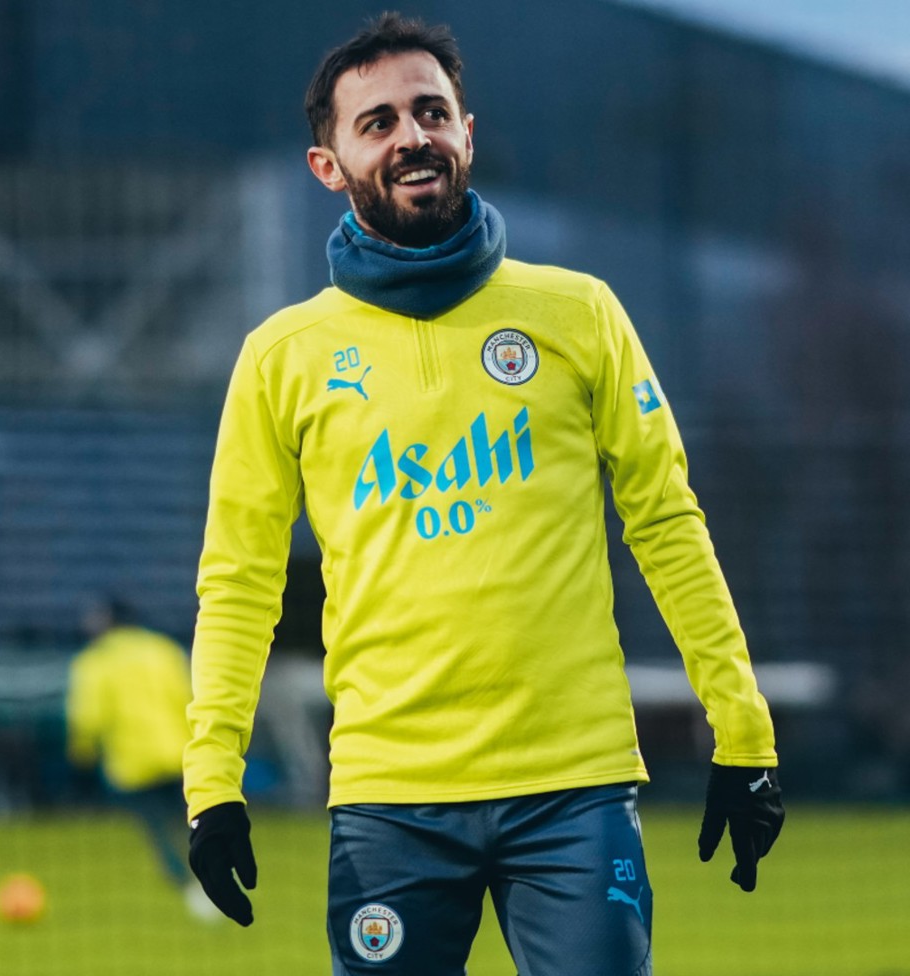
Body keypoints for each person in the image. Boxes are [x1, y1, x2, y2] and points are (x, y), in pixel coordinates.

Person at [183, 12, 785, 974]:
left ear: (467, 132)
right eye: (376, 122)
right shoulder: (281, 358)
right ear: (327, 164)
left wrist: (744, 730)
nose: (410, 135)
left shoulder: (578, 313)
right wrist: (212, 784)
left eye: (431, 111)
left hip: (575, 789)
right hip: (389, 798)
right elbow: (239, 582)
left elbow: (667, 523)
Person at [66, 596, 217, 920]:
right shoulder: (164, 650)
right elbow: (190, 695)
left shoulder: (96, 661)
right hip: (179, 751)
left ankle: (190, 891)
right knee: (194, 821)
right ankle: (217, 876)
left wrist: (82, 754)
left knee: (157, 830)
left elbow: (89, 716)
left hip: (134, 762)